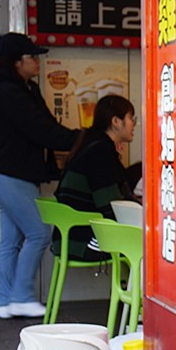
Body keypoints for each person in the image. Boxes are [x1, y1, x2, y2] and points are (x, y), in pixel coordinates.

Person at [0, 32, 79, 319]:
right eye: (31, 57)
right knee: (38, 233)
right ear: (16, 63)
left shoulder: (25, 89)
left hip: (6, 175)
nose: (37, 61)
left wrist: (75, 137)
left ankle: (7, 302)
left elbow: (46, 125)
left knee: (11, 240)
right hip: (10, 175)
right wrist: (82, 139)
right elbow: (42, 130)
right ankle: (21, 296)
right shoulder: (11, 94)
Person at [54, 95, 139, 261]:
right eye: (131, 118)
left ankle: (131, 287)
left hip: (69, 237)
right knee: (150, 244)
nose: (133, 125)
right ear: (116, 121)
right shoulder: (100, 151)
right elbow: (110, 205)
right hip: (85, 240)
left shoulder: (91, 143)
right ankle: (134, 287)